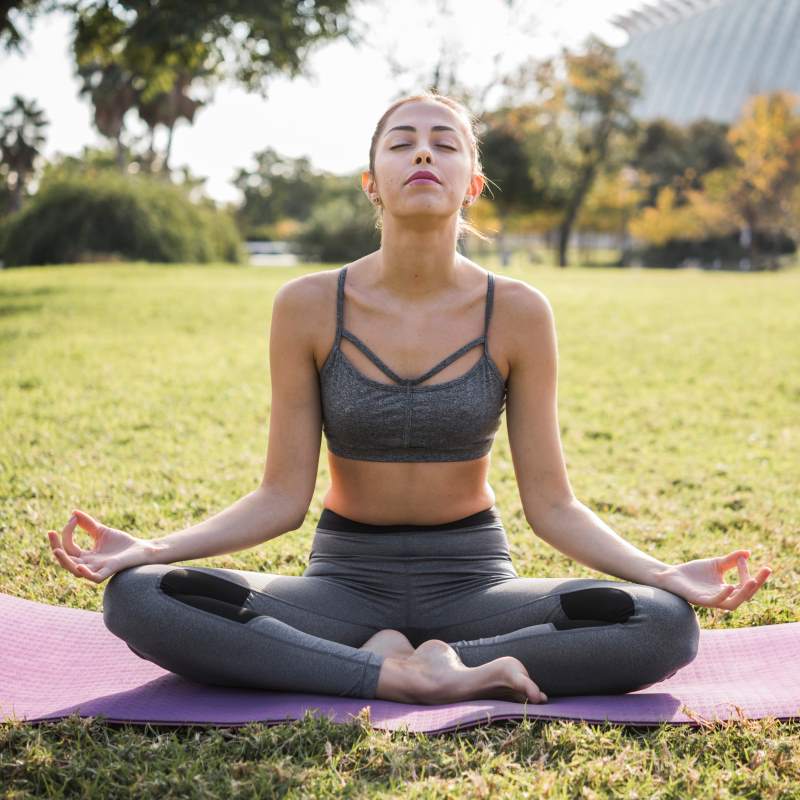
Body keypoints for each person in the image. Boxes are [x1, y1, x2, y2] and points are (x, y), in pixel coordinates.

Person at [47, 91, 772, 705]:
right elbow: (280, 499)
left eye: (443, 145)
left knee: (664, 624)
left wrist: (660, 572)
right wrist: (153, 548)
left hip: (476, 586)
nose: (423, 155)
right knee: (140, 597)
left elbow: (553, 507)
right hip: (341, 582)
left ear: (472, 183)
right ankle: (397, 675)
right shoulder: (307, 305)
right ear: (372, 181)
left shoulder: (518, 312)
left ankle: (409, 664)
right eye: (402, 144)